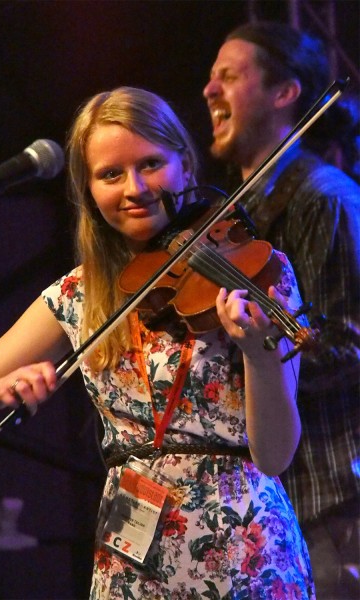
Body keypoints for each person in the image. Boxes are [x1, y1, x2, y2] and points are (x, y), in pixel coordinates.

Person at [0, 86, 315, 599]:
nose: (135, 188)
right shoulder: (80, 295)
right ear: (89, 190)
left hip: (245, 548)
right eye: (110, 174)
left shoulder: (256, 271)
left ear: (185, 166)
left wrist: (262, 355)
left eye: (151, 163)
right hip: (130, 561)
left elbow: (276, 455)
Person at [203, 21, 360, 599]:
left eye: (229, 75)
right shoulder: (235, 218)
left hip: (332, 503)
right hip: (271, 510)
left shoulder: (325, 199)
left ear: (285, 93)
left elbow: (349, 345)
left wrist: (255, 357)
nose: (208, 91)